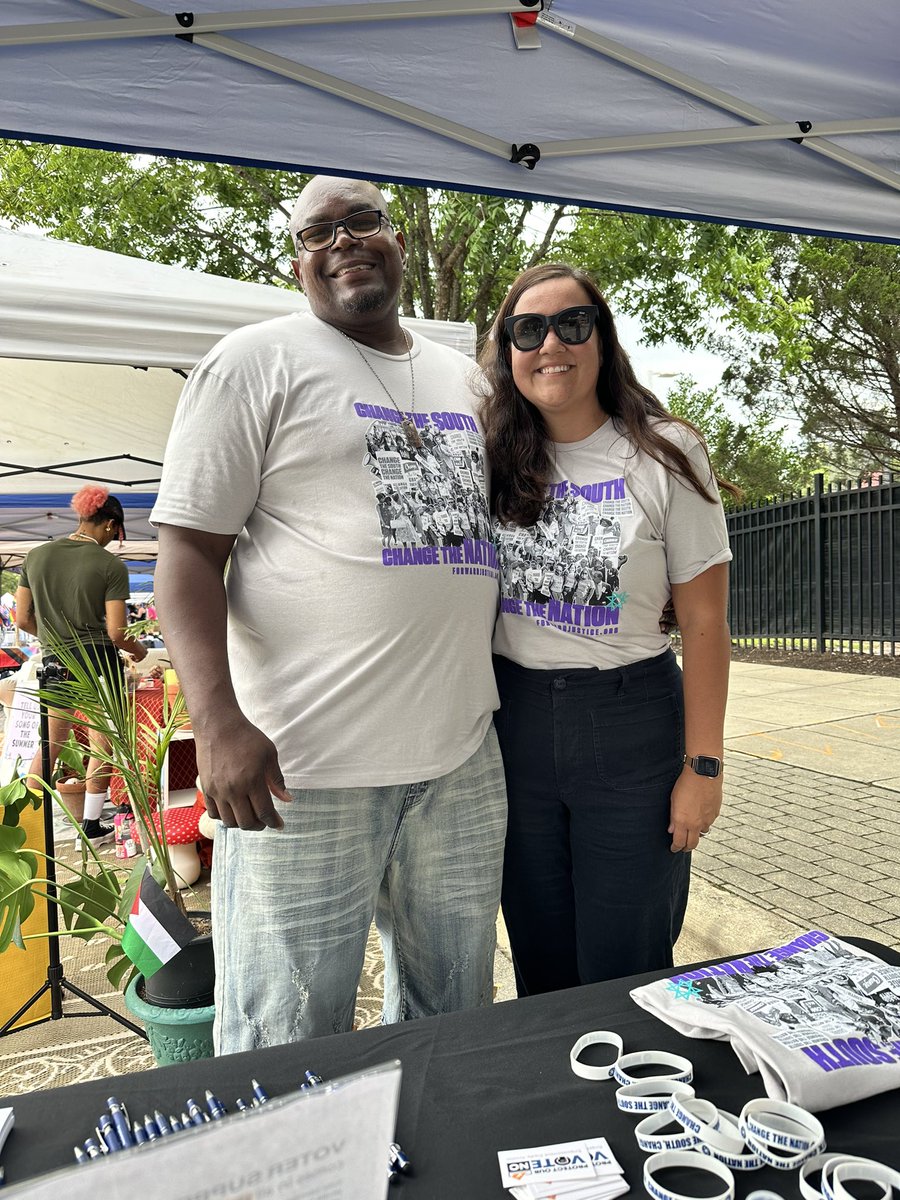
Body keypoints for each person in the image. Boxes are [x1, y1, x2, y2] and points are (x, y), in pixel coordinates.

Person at [151, 176, 506, 1054]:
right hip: (301, 774)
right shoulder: (253, 360)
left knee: (452, 1020)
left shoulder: (465, 378)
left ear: (395, 238)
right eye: (317, 233)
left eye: (363, 221)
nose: (343, 239)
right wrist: (218, 725)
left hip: (459, 766)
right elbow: (188, 553)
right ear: (299, 261)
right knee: (286, 1035)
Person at [479, 263, 736, 997]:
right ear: (507, 350)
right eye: (527, 329)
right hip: (515, 724)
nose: (550, 343)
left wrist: (705, 767)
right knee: (540, 955)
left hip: (632, 726)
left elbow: (707, 622)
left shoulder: (665, 451)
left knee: (629, 959)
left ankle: (638, 1100)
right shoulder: (492, 457)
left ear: (602, 337)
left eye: (572, 323)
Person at [15, 485, 148, 845]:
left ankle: (26, 829)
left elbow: (23, 619)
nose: (114, 542)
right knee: (103, 743)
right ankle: (90, 824)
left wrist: (54, 640)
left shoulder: (36, 556)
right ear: (109, 524)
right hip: (99, 662)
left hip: (55, 660)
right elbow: (118, 632)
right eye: (116, 535)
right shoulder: (109, 565)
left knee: (51, 743)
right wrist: (139, 652)